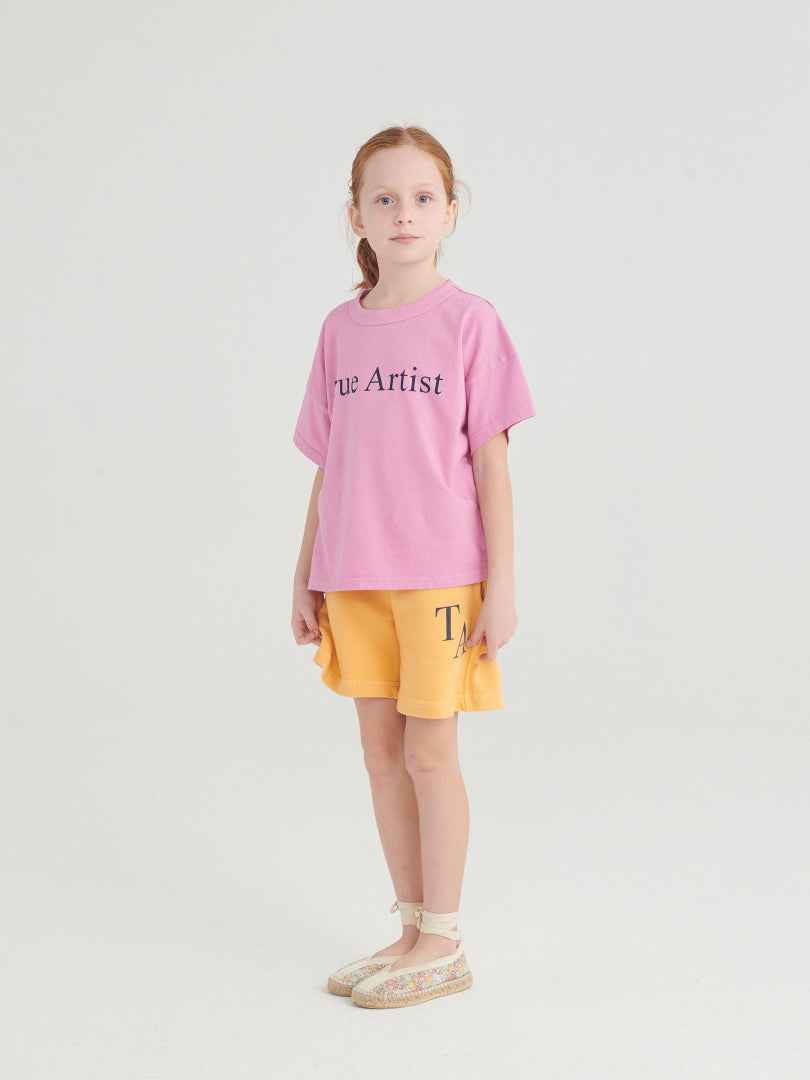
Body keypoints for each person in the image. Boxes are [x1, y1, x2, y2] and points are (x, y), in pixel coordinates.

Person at [290, 124, 536, 1009]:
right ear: (355, 215)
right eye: (385, 198)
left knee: (430, 754)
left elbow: (492, 465)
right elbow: (330, 462)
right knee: (380, 754)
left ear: (451, 212)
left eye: (423, 198)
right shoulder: (339, 329)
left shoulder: (470, 322)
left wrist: (501, 587)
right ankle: (408, 929)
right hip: (353, 574)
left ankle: (446, 939)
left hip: (439, 577)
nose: (404, 213)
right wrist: (304, 572)